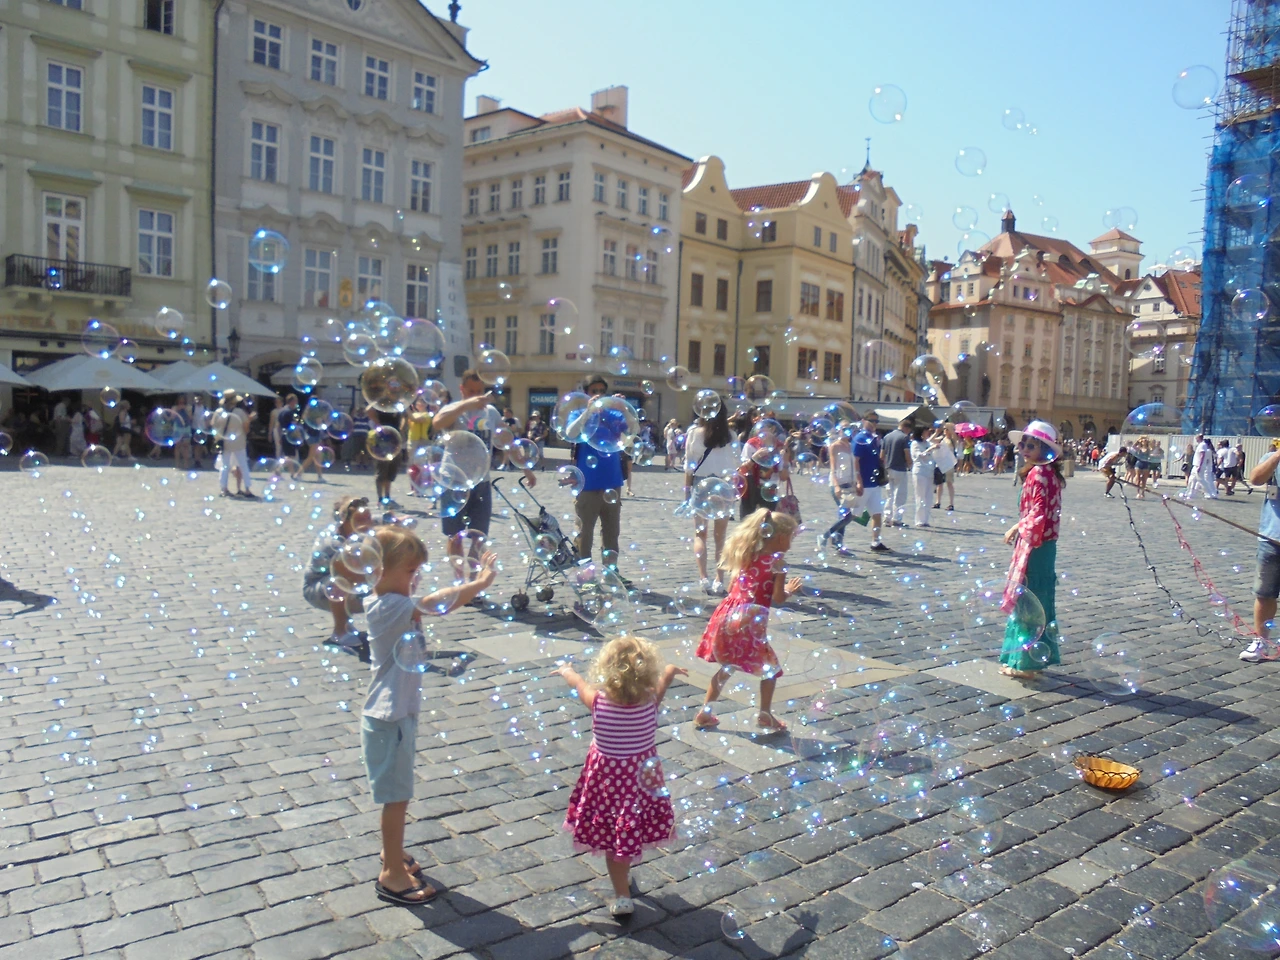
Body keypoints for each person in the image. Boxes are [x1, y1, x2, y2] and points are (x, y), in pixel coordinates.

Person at [363, 524, 497, 905]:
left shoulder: (392, 602)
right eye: (409, 571)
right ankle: (390, 873)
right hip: (388, 719)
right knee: (397, 797)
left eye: (417, 571)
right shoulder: (389, 606)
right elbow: (441, 601)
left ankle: (394, 853)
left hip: (395, 715)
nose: (416, 578)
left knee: (398, 794)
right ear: (377, 570)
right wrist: (482, 581)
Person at [556, 637, 682, 918]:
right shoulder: (650, 700)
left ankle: (622, 895)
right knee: (628, 829)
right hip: (640, 783)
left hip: (607, 784)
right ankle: (624, 880)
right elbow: (662, 685)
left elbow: (578, 685)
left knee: (616, 839)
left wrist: (567, 671)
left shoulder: (598, 701)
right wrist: (670, 672)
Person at [693, 508, 803, 733]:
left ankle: (705, 712)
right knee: (770, 670)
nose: (792, 541)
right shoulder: (778, 562)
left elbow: (736, 586)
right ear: (781, 537)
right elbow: (778, 598)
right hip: (750, 619)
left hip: (728, 614)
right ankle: (765, 715)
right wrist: (791, 590)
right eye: (792, 536)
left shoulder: (748, 553)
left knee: (728, 666)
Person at [432, 370, 536, 577]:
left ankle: (472, 580)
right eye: (471, 391)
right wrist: (465, 405)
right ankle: (460, 580)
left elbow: (507, 440)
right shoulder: (453, 409)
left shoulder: (491, 412)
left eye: (480, 391)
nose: (477, 395)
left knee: (479, 536)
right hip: (453, 480)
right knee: (455, 536)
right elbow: (436, 423)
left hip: (481, 480)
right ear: (462, 389)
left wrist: (525, 467)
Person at [999, 421, 1065, 679]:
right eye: (1022, 444)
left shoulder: (1038, 474)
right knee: (1040, 602)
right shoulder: (1049, 473)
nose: (1024, 448)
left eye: (1031, 444)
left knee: (1027, 602)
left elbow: (1037, 514)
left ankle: (1023, 664)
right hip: (1046, 547)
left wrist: (1017, 527)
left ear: (1045, 448)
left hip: (1035, 547)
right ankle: (1032, 660)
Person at [303, 495, 375, 657]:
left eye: (368, 517)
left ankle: (347, 624)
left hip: (343, 579)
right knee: (341, 581)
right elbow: (350, 573)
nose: (367, 522)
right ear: (343, 519)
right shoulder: (334, 543)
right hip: (318, 589)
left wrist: (394, 520)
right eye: (361, 518)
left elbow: (375, 520)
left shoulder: (355, 527)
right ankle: (339, 632)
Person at [570, 376, 625, 578]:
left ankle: (612, 573)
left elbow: (630, 431)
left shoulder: (613, 414)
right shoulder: (579, 414)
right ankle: (585, 574)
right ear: (587, 393)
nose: (599, 394)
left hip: (612, 481)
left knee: (612, 533)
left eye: (602, 390)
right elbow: (570, 432)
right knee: (584, 533)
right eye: (594, 391)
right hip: (587, 483)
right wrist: (588, 412)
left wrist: (624, 407)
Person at [684, 402, 739, 595]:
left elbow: (689, 465)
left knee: (700, 534)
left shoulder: (695, 433)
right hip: (724, 485)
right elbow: (736, 464)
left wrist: (686, 491)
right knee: (720, 537)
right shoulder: (731, 435)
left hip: (701, 483)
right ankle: (719, 580)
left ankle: (703, 578)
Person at [1241, 443, 1280, 662]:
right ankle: (1261, 641)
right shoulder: (1272, 456)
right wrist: (1277, 456)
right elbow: (1256, 479)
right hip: (1272, 536)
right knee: (1264, 593)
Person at [821, 421, 866, 556]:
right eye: (844, 428)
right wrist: (836, 486)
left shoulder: (853, 446)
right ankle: (826, 536)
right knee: (847, 515)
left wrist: (859, 482)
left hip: (850, 483)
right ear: (839, 430)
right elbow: (833, 468)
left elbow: (856, 467)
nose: (847, 431)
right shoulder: (834, 446)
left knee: (847, 514)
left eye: (849, 428)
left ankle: (837, 543)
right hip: (839, 483)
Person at [853, 412, 890, 552]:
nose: (875, 424)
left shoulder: (874, 439)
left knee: (877, 513)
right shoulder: (860, 438)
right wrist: (858, 481)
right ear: (863, 420)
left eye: (877, 421)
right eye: (872, 421)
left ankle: (876, 542)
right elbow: (855, 460)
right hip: (864, 483)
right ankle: (834, 534)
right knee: (852, 514)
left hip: (874, 483)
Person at [215, 392, 256, 499]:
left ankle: (223, 489)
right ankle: (247, 489)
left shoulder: (219, 412)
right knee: (243, 465)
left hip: (225, 443)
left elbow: (214, 426)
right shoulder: (240, 412)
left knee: (225, 466)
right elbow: (246, 428)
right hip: (239, 442)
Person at [881, 418, 912, 527]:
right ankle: (896, 519)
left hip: (888, 468)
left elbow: (882, 455)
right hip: (900, 469)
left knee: (889, 495)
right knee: (900, 495)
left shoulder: (887, 436)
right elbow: (907, 453)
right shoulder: (904, 438)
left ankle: (887, 518)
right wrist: (910, 464)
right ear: (906, 428)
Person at [910, 425, 940, 527]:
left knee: (928, 497)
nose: (927, 433)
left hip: (929, 472)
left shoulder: (927, 443)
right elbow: (920, 455)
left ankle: (925, 519)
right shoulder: (915, 443)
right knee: (920, 496)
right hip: (920, 472)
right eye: (926, 431)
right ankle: (919, 520)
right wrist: (931, 448)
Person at [1183, 434, 1218, 500]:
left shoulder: (1203, 445)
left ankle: (1209, 493)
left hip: (1198, 465)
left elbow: (1202, 455)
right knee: (1191, 479)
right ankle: (1189, 493)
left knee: (1201, 480)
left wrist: (1200, 465)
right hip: (1195, 465)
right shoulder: (1201, 445)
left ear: (1199, 438)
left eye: (1196, 438)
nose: (1195, 439)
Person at [934, 423, 958, 512]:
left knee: (949, 483)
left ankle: (951, 504)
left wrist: (951, 429)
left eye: (946, 429)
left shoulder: (952, 439)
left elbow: (956, 439)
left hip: (949, 464)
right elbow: (931, 440)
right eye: (944, 429)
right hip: (940, 463)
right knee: (939, 484)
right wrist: (936, 432)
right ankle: (938, 502)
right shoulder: (942, 439)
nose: (944, 430)